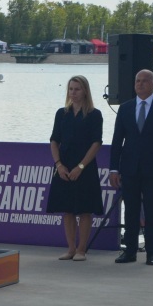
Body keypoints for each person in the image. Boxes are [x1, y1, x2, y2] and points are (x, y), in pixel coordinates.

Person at [109, 69, 153, 265]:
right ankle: (130, 251)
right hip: (129, 168)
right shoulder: (126, 108)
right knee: (130, 210)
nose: (140, 84)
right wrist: (113, 169)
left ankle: (151, 252)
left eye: (145, 81)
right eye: (137, 81)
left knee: (152, 211)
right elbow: (117, 140)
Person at [46, 76, 104, 261]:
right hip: (64, 166)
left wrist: (81, 166)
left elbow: (96, 143)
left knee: (85, 210)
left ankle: (81, 249)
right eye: (71, 89)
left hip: (85, 167)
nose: (73, 92)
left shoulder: (94, 114)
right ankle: (71, 248)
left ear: (85, 91)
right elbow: (54, 140)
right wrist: (59, 164)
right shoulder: (62, 113)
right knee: (68, 210)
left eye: (77, 89)